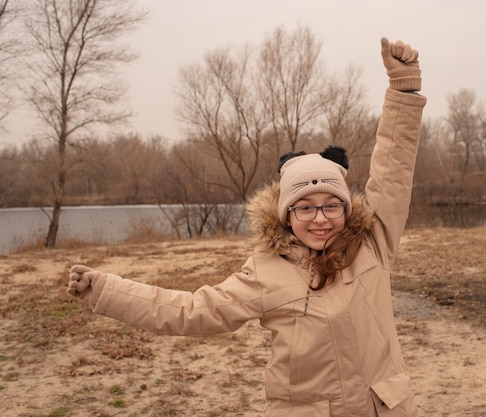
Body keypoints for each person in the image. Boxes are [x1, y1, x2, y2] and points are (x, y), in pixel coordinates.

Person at [68, 37, 427, 417]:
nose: (320, 219)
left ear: (347, 206)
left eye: (331, 206)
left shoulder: (372, 243)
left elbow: (393, 170)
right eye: (305, 208)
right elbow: (191, 311)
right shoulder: (264, 272)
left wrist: (403, 90)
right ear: (287, 215)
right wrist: (108, 290)